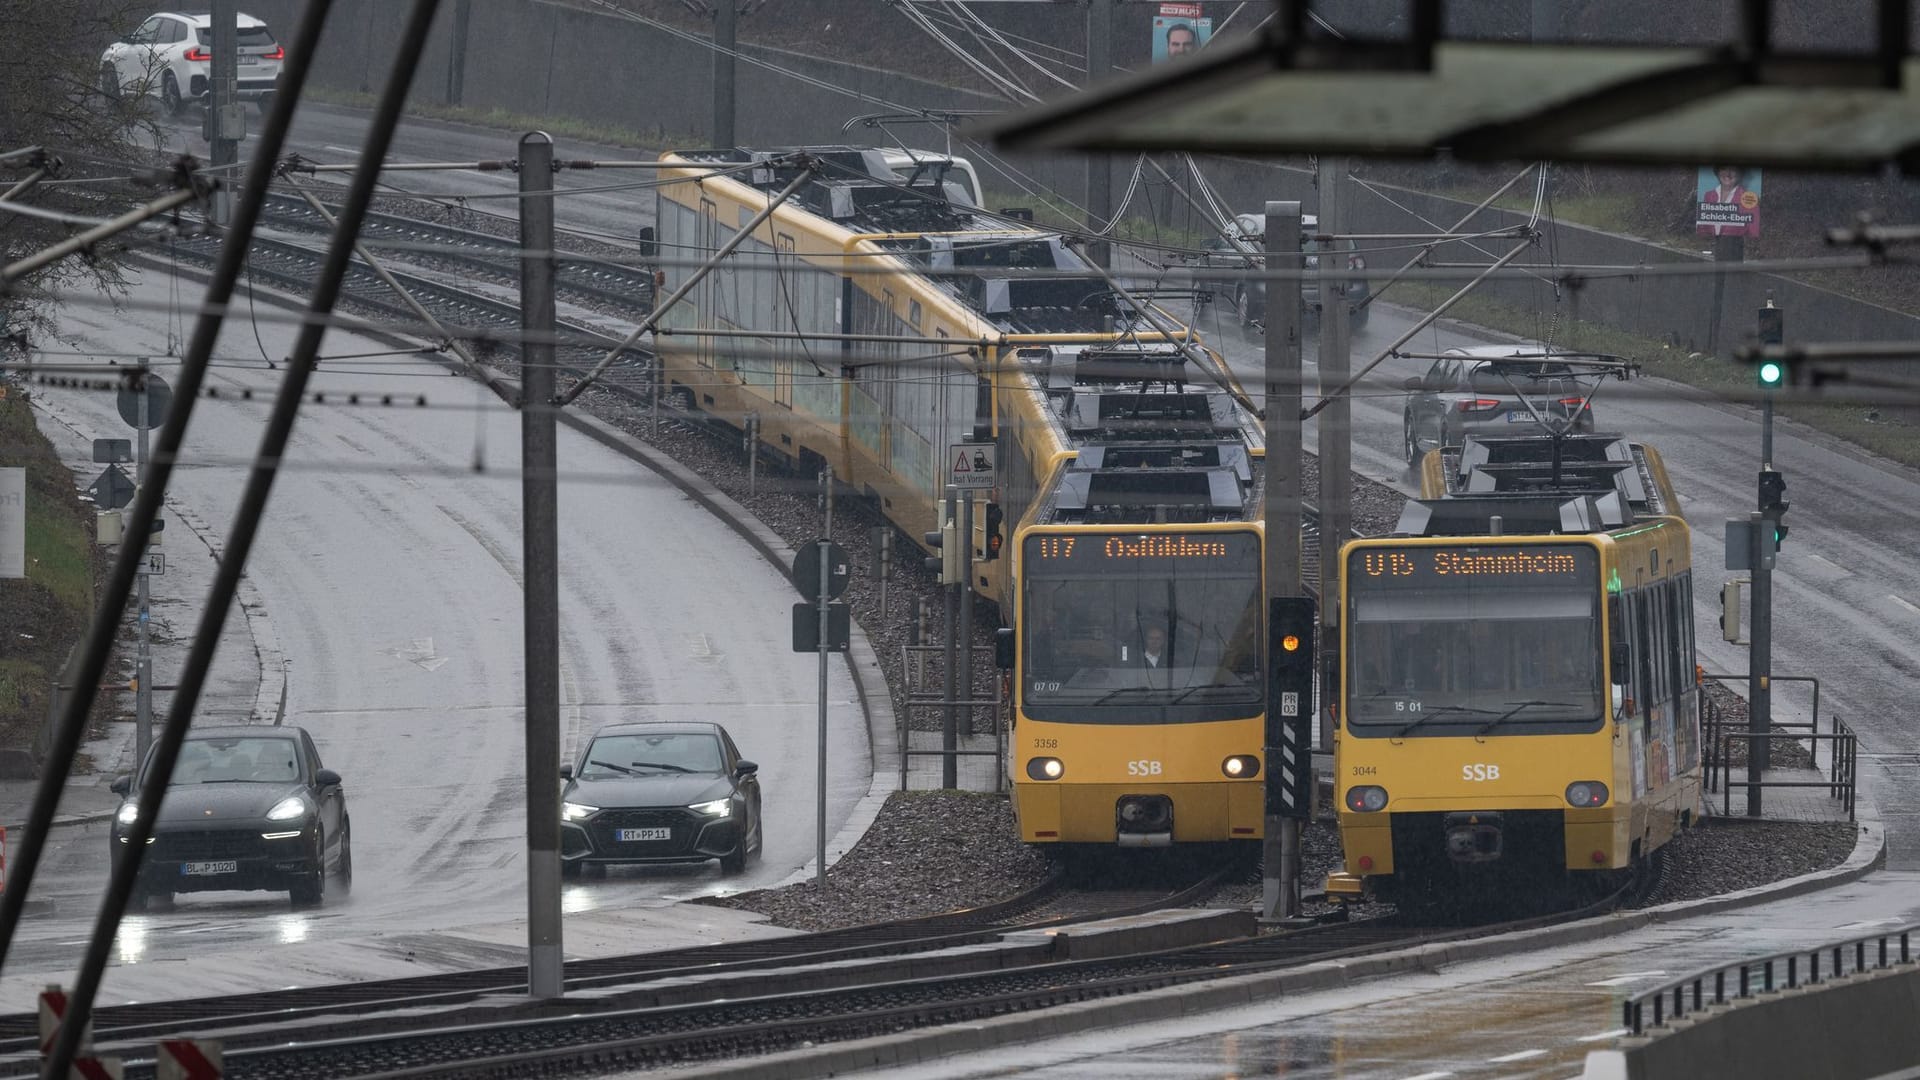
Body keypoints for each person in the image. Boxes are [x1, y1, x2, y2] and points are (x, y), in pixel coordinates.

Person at [1702, 166, 1757, 237]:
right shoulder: (1708, 196)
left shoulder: (1750, 199)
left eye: (1733, 169)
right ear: (1718, 172)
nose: (1728, 174)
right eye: (1723, 168)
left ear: (1740, 174)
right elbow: (1702, 227)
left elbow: (1753, 232)